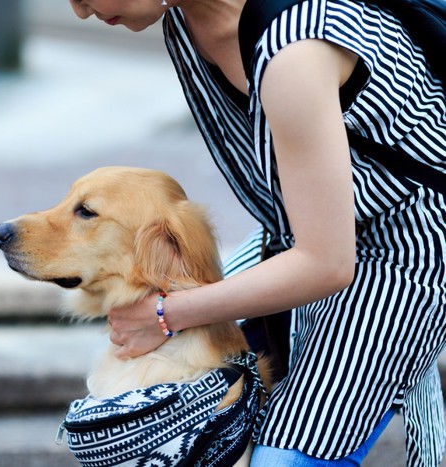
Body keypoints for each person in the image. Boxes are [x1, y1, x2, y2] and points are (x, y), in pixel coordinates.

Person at [68, 0, 445, 466]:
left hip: (408, 249)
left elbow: (326, 262)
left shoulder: (296, 51)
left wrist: (168, 313)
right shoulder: (187, 25)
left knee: (283, 458)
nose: (79, 11)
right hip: (305, 235)